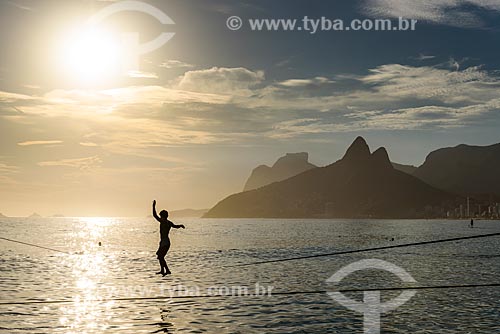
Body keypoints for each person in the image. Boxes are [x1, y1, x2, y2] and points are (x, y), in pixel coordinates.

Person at [152, 200, 185, 276]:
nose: (160, 217)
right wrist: (180, 225)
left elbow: (154, 215)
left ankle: (166, 270)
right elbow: (175, 226)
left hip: (164, 242)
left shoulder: (162, 221)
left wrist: (153, 206)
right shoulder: (169, 222)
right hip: (166, 242)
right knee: (160, 257)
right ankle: (163, 270)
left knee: (160, 256)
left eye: (160, 216)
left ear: (162, 216)